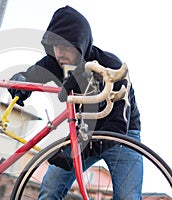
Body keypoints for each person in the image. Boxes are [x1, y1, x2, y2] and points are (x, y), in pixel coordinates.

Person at [8, 5, 142, 200]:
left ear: (81, 44)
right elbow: (28, 76)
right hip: (82, 132)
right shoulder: (54, 61)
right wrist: (19, 83)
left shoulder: (110, 66)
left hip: (122, 135)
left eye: (65, 46)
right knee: (50, 189)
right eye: (55, 45)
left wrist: (78, 151)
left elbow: (117, 127)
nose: (59, 52)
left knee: (128, 198)